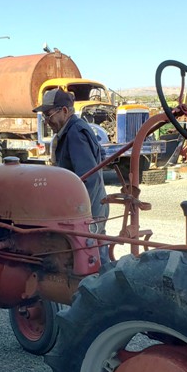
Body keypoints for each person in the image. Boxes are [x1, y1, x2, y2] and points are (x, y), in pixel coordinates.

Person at [33, 88, 110, 262]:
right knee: (95, 254)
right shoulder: (76, 129)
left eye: (48, 115)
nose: (46, 121)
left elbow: (88, 176)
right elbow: (101, 156)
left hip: (88, 210)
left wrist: (80, 214)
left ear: (65, 111)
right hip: (92, 207)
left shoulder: (75, 133)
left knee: (91, 257)